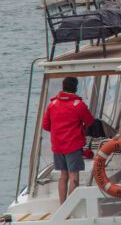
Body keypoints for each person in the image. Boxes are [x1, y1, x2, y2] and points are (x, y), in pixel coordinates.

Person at [41, 76, 95, 204]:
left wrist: (58, 132)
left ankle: (62, 204)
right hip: (73, 146)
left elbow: (45, 125)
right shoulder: (78, 105)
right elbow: (90, 121)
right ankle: (70, 206)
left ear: (63, 87)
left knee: (63, 176)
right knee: (74, 177)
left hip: (58, 147)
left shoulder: (52, 104)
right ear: (76, 88)